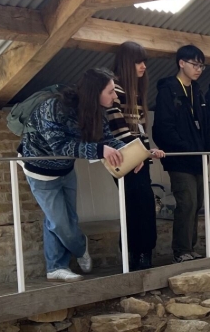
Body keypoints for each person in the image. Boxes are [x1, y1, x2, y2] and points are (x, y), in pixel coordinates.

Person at [19, 67, 159, 281]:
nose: (115, 96)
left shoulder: (96, 111)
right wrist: (99, 150)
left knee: (63, 219)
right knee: (59, 222)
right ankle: (80, 247)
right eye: (111, 91)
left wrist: (133, 155)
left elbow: (106, 140)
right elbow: (59, 146)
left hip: (65, 169)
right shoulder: (55, 107)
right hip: (40, 171)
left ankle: (56, 266)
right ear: (95, 92)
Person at [154, 44, 210, 263]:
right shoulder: (168, 91)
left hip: (198, 157)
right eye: (195, 64)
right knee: (186, 202)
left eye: (201, 65)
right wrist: (184, 148)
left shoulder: (198, 92)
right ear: (181, 63)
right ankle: (181, 250)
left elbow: (203, 126)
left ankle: (189, 248)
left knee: (196, 203)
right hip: (179, 159)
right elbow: (163, 128)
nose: (198, 69)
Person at [109, 41, 159, 271]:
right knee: (133, 205)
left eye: (145, 62)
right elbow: (117, 128)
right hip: (124, 159)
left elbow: (139, 130)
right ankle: (132, 254)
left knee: (145, 205)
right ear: (127, 63)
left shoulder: (136, 91)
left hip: (139, 159)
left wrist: (148, 153)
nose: (143, 67)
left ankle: (143, 253)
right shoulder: (114, 89)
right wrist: (137, 154)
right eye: (139, 62)